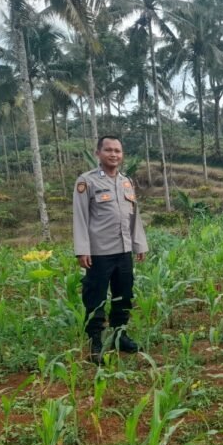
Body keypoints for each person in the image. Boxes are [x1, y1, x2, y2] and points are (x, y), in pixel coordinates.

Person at [73, 135, 148, 364]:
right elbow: (80, 217)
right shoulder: (87, 182)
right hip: (99, 252)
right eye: (108, 150)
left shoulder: (126, 182)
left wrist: (139, 244)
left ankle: (119, 335)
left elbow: (134, 216)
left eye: (117, 150)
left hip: (124, 250)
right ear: (98, 153)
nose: (114, 154)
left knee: (124, 295)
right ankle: (95, 341)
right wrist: (82, 249)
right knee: (95, 297)